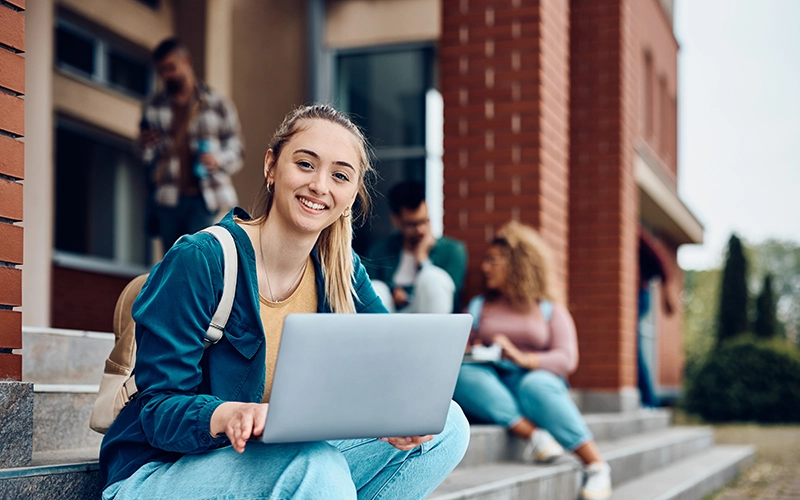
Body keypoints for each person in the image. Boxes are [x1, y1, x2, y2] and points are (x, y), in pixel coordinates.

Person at [100, 104, 470, 499]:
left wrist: (387, 411)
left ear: (352, 195)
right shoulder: (201, 258)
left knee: (446, 426)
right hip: (158, 473)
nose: (320, 186)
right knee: (316, 467)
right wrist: (229, 414)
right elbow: (158, 410)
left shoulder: (340, 272)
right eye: (306, 164)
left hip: (267, 462)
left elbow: (391, 372)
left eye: (340, 175)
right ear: (271, 167)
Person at [453, 221, 612, 500]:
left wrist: (522, 357)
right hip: (492, 380)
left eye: (493, 260)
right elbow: (460, 349)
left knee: (536, 386)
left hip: (534, 380)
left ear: (517, 263)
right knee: (462, 375)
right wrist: (475, 348)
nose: (485, 267)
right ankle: (536, 435)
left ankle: (596, 466)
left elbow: (566, 359)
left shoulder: (548, 309)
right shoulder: (478, 306)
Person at [139, 37, 244, 251]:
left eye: (171, 67)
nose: (167, 75)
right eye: (162, 71)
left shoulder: (218, 104)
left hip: (207, 198)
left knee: (203, 259)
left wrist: (218, 159)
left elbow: (237, 149)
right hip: (168, 200)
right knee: (174, 261)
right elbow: (146, 156)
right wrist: (145, 144)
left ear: (186, 61)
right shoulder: (152, 107)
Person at [364, 180, 467, 313]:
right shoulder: (380, 250)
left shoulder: (452, 250)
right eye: (412, 224)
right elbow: (365, 290)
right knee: (376, 288)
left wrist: (423, 260)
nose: (421, 229)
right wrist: (392, 291)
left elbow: (451, 296)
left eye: (424, 221)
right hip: (391, 315)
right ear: (396, 220)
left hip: (428, 316)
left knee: (433, 278)